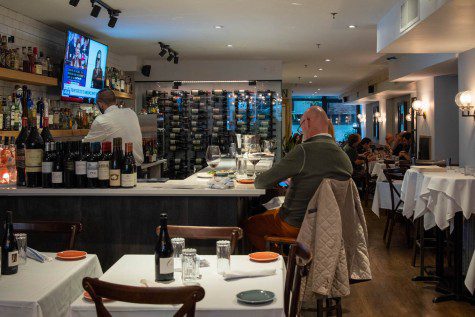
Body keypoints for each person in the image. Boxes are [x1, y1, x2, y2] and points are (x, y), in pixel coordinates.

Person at [243, 106, 353, 251]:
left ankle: (281, 264)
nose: (301, 130)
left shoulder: (303, 150)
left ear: (306, 123)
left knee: (249, 224)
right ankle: (292, 259)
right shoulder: (344, 156)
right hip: (330, 227)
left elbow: (261, 182)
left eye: (301, 126)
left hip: (295, 224)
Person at [83, 89, 144, 165]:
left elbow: (86, 145)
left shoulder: (101, 120)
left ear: (100, 104)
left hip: (119, 169)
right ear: (115, 102)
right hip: (137, 168)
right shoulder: (131, 113)